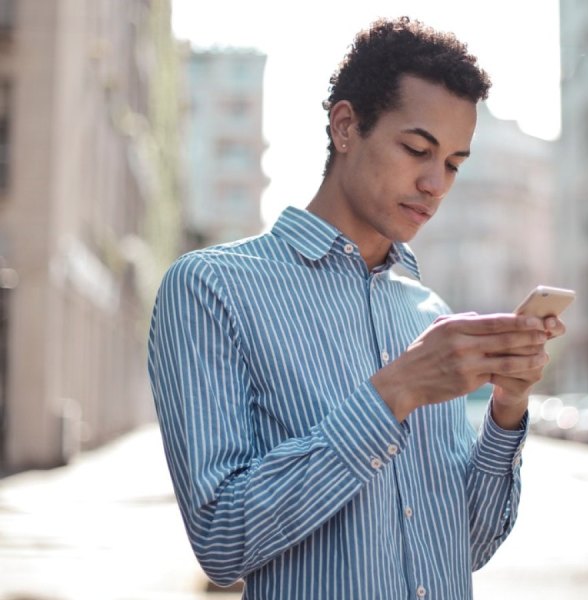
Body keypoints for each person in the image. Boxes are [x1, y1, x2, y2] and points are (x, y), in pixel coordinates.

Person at [148, 16, 565, 600]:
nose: (435, 184)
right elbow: (222, 541)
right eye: (417, 149)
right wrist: (393, 393)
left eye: (452, 163)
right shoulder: (212, 288)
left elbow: (467, 543)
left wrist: (507, 408)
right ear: (346, 127)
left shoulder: (428, 312)